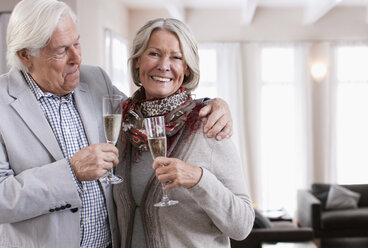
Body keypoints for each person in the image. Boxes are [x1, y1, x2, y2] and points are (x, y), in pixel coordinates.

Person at [0, 1, 233, 247]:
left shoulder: (95, 79)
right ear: (25, 55)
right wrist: (71, 172)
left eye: (77, 43)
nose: (77, 58)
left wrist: (209, 105)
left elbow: (146, 109)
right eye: (61, 51)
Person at [113, 18, 255, 248]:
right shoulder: (123, 124)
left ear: (187, 67)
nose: (164, 65)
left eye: (176, 57)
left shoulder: (207, 122)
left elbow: (243, 225)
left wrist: (199, 179)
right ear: (138, 60)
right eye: (154, 53)